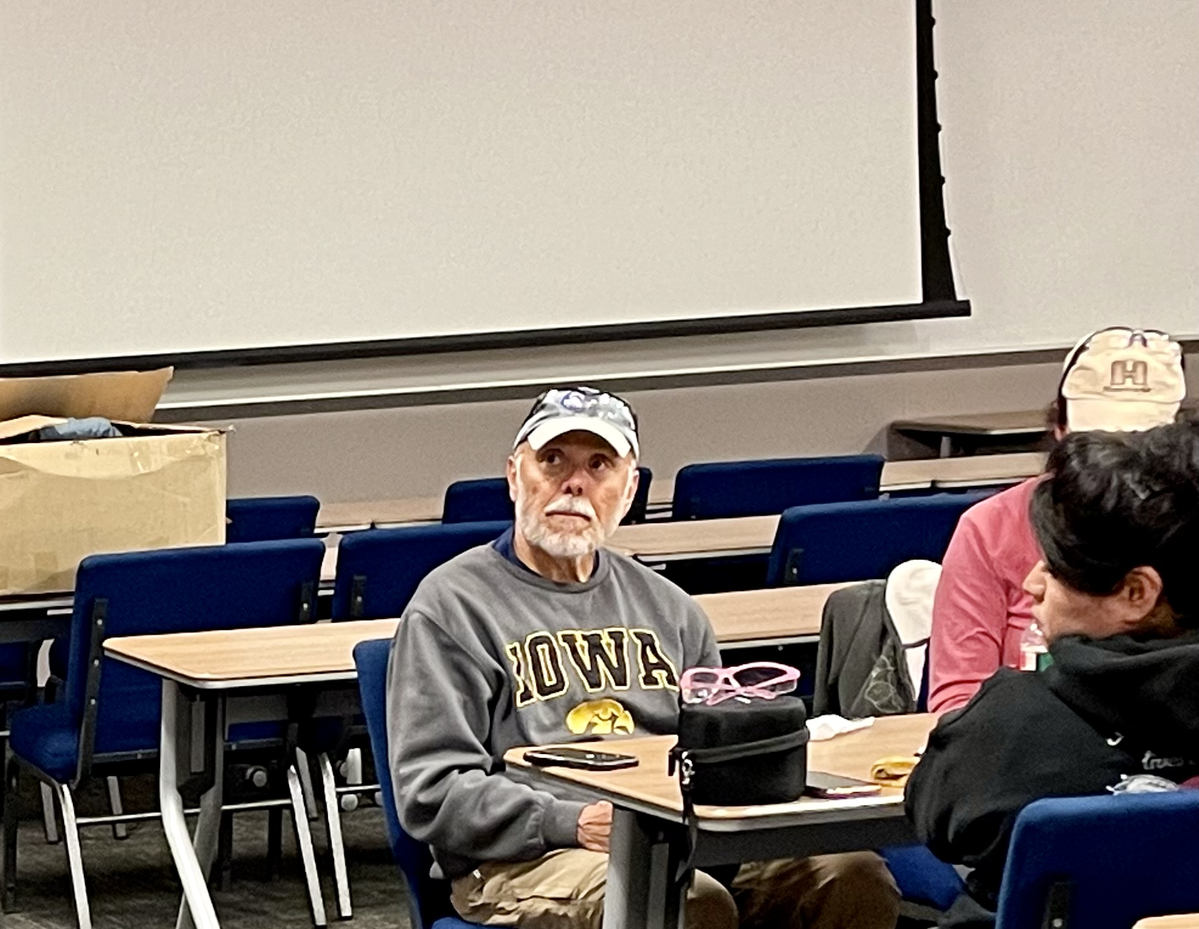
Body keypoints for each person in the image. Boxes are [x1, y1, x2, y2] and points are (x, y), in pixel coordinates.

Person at [388, 386, 898, 929]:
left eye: (599, 464)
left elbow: (721, 751)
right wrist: (572, 821)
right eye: (552, 460)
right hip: (526, 858)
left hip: (681, 836)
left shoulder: (670, 608)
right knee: (680, 901)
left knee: (850, 874)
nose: (574, 483)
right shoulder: (451, 607)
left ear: (629, 489)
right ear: (515, 475)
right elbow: (432, 789)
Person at [906, 418, 1199, 926]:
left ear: (1137, 593)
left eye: (1059, 568)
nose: (1031, 582)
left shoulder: (1012, 725)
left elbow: (939, 818)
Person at [927, 327, 1186, 713]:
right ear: (1060, 431)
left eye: (1137, 443)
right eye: (1095, 443)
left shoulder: (1187, 524)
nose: (1114, 462)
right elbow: (958, 700)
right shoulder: (990, 528)